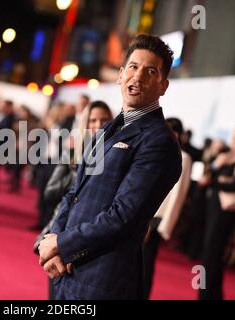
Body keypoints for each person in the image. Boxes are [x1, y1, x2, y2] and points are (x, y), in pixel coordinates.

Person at [38, 34, 182, 300]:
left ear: (163, 86)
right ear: (120, 74)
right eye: (133, 67)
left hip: (104, 280)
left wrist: (62, 244)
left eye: (151, 72)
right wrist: (52, 241)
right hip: (66, 272)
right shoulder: (105, 131)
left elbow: (123, 217)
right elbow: (74, 193)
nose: (138, 77)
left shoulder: (159, 142)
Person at [35, 101, 113, 300]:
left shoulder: (115, 155)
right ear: (84, 123)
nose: (98, 125)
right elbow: (50, 192)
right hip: (62, 230)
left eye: (104, 120)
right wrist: (79, 174)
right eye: (93, 120)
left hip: (92, 237)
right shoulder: (72, 153)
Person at [197, 127, 235, 300]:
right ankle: (212, 293)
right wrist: (217, 166)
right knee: (211, 253)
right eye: (233, 137)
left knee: (211, 254)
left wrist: (216, 182)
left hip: (226, 213)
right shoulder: (226, 157)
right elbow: (207, 175)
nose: (234, 140)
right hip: (213, 208)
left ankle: (205, 294)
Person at [142, 118, 193, 299]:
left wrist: (165, 224)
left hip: (158, 216)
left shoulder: (184, 157)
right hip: (144, 211)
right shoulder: (155, 150)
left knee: (146, 261)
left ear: (178, 134)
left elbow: (179, 193)